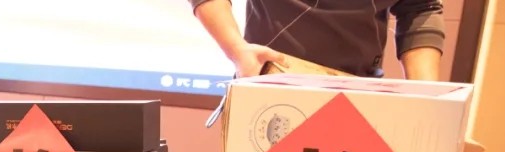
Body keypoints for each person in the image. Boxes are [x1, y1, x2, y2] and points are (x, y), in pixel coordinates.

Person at [190, 0, 445, 80]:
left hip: (360, 92)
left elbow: (420, 6)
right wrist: (236, 49)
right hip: (270, 81)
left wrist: (427, 97)